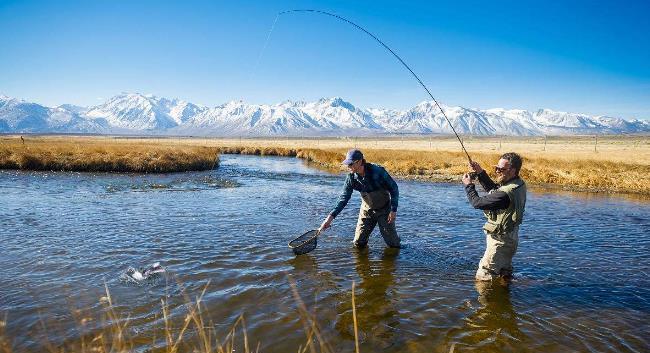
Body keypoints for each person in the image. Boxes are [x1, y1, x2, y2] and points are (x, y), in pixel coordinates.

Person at [462, 152, 527, 281]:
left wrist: (469, 185)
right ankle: (505, 298)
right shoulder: (518, 184)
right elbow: (494, 190)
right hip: (511, 238)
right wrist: (480, 172)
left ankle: (485, 301)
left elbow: (477, 203)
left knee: (483, 277)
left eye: (501, 169)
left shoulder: (505, 193)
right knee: (504, 274)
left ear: (513, 170)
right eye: (496, 167)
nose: (497, 171)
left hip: (500, 242)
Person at [319, 149, 400, 248]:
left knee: (393, 245)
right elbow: (343, 199)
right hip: (367, 210)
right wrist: (329, 219)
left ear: (360, 161)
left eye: (350, 164)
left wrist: (393, 210)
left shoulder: (378, 171)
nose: (348, 167)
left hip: (384, 210)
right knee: (358, 243)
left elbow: (394, 188)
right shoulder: (351, 178)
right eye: (347, 164)